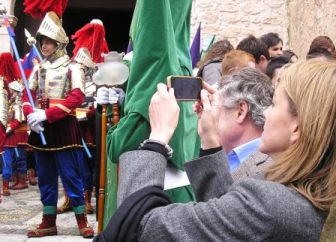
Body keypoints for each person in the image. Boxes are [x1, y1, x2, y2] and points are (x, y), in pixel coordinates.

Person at [95, 59, 334, 242]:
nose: (266, 114)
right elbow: (228, 224)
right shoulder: (306, 194)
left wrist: (157, 137)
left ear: (297, 128)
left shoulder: (272, 204)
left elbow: (139, 227)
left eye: (274, 104)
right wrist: (210, 140)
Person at [22, 12, 94, 238]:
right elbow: (26, 93)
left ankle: (81, 220)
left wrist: (47, 114)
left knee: (71, 175)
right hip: (40, 128)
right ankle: (48, 222)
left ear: (60, 43)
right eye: (42, 41)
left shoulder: (73, 68)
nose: (44, 45)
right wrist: (31, 116)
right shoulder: (38, 68)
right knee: (45, 177)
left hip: (63, 127)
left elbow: (76, 98)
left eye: (49, 41)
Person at [3, 80, 29, 193]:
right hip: (14, 135)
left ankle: (22, 181)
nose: (9, 91)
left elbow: (18, 119)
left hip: (19, 134)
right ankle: (16, 179)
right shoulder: (11, 103)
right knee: (15, 159)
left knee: (20, 159)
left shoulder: (18, 103)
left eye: (10, 90)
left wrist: (7, 129)